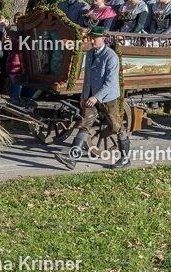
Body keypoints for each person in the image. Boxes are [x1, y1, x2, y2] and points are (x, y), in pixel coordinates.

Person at [54, 25, 128, 170]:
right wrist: (84, 96)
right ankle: (72, 158)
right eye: (90, 38)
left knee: (117, 127)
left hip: (108, 98)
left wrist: (96, 97)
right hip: (90, 97)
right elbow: (87, 77)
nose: (92, 41)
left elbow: (110, 82)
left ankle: (125, 159)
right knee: (84, 125)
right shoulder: (89, 53)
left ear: (103, 39)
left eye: (95, 39)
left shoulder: (111, 56)